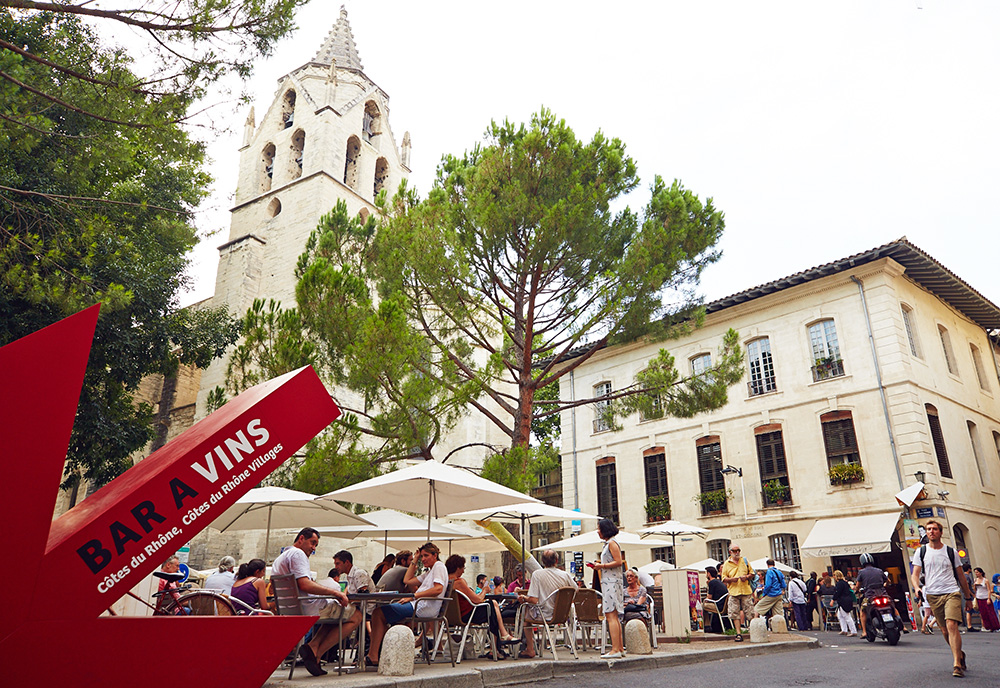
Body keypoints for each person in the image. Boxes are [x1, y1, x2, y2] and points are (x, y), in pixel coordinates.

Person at [272, 527, 352, 676]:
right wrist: (335, 592)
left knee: (335, 613)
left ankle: (313, 647)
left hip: (290, 608)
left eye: (316, 545)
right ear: (301, 539)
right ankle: (316, 651)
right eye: (312, 543)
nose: (313, 548)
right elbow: (304, 584)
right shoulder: (298, 554)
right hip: (307, 607)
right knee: (356, 616)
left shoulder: (281, 557)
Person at [910, 520, 974, 679]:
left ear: (940, 532)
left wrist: (967, 597)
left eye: (934, 529)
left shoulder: (951, 552)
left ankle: (956, 664)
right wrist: (917, 587)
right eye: (928, 529)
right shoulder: (921, 552)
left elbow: (960, 576)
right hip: (933, 594)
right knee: (944, 630)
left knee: (952, 625)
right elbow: (915, 574)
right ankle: (960, 653)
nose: (931, 532)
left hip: (951, 591)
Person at [366, 543, 448, 668]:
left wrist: (414, 596)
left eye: (426, 556)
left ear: (435, 555)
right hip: (418, 604)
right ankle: (375, 654)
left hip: (422, 607)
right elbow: (407, 580)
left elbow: (438, 589)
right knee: (379, 613)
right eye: (422, 556)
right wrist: (415, 559)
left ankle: (373, 655)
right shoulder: (430, 571)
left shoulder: (439, 566)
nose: (423, 559)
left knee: (378, 613)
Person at [446, 555, 516, 658]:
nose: (463, 571)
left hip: (453, 616)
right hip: (467, 615)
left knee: (493, 606)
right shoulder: (459, 582)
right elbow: (477, 600)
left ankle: (499, 643)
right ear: (458, 568)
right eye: (463, 568)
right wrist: (485, 590)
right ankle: (498, 644)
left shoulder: (447, 581)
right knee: (492, 607)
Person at [518, 549, 576, 658]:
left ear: (543, 561)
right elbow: (575, 590)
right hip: (562, 615)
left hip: (543, 614)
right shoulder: (565, 575)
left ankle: (530, 649)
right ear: (557, 561)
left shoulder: (537, 574)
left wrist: (524, 598)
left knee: (525, 616)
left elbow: (534, 600)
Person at [590, 518, 625, 659]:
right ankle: (620, 647)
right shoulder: (610, 543)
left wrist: (601, 566)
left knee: (611, 615)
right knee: (613, 615)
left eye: (599, 528)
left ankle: (615, 649)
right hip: (610, 582)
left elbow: (618, 561)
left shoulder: (611, 543)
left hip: (611, 582)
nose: (597, 531)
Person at [720, 543, 756, 630]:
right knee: (735, 613)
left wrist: (746, 577)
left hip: (746, 590)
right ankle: (738, 633)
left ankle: (753, 630)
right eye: (735, 551)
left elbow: (752, 574)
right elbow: (723, 578)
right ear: (730, 552)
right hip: (733, 591)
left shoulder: (744, 561)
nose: (737, 553)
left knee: (750, 612)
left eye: (738, 550)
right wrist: (731, 579)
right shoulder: (726, 564)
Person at [855, 552, 890, 638]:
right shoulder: (879, 570)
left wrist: (857, 590)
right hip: (883, 594)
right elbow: (888, 581)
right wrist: (885, 585)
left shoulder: (861, 572)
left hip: (870, 596)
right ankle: (903, 627)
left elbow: (857, 585)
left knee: (862, 611)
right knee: (892, 605)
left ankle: (864, 632)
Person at [754, 559, 786, 625]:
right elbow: (783, 584)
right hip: (779, 594)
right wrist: (782, 590)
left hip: (771, 594)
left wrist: (764, 594)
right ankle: (781, 628)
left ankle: (755, 625)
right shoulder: (779, 572)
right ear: (774, 564)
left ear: (767, 564)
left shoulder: (769, 572)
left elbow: (768, 585)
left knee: (757, 608)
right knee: (778, 613)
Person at [972, 567, 999, 632]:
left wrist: (989, 598)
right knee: (983, 613)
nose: (976, 574)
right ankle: (987, 626)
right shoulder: (975, 580)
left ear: (981, 572)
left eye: (977, 572)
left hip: (985, 597)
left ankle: (995, 626)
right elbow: (975, 589)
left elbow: (989, 590)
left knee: (990, 612)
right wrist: (974, 586)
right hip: (979, 597)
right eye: (975, 572)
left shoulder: (985, 580)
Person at [831, 570, 857, 637]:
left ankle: (853, 631)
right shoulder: (845, 583)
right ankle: (844, 629)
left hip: (843, 601)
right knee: (840, 616)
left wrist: (833, 600)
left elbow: (837, 592)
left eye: (834, 575)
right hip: (847, 600)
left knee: (846, 616)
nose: (833, 577)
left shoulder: (839, 584)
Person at [705, 566, 729, 634]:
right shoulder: (718, 581)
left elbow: (709, 597)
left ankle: (706, 626)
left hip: (718, 604)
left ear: (709, 574)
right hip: (723, 603)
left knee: (702, 607)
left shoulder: (712, 582)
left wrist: (704, 600)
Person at [961, 563, 978, 631]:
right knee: (969, 610)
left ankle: (969, 625)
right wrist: (972, 594)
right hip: (968, 595)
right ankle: (969, 625)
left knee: (969, 611)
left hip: (966, 594)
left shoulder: (964, 576)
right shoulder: (967, 577)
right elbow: (967, 587)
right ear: (969, 569)